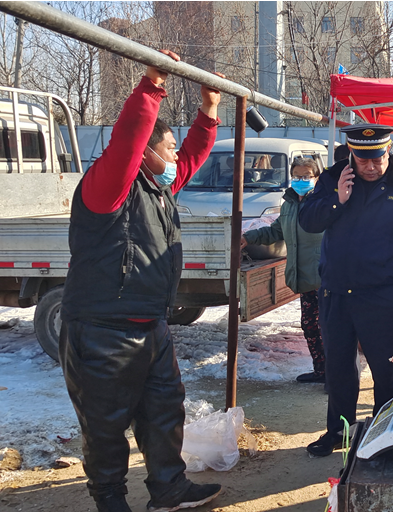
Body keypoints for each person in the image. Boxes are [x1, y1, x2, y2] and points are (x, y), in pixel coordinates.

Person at [59, 50, 223, 512]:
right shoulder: (108, 187)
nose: (174, 159)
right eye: (166, 149)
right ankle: (111, 501)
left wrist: (208, 109)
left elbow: (191, 156)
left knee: (163, 412)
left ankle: (169, 488)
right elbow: (128, 141)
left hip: (150, 325)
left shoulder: (157, 187)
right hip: (101, 331)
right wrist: (152, 84)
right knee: (105, 426)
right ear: (146, 152)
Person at [300, 124, 393, 457]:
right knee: (339, 369)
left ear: (388, 152)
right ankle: (338, 434)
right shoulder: (332, 180)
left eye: (378, 158)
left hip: (381, 296)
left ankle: (383, 433)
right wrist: (337, 200)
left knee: (384, 371)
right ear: (351, 155)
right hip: (336, 294)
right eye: (363, 160)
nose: (371, 167)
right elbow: (308, 221)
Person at [241, 158, 325, 384]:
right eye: (297, 176)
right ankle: (321, 371)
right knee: (310, 326)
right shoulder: (289, 204)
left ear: (317, 178)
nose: (301, 180)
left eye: (307, 176)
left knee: (328, 328)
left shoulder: (322, 202)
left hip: (325, 278)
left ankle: (335, 375)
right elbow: (276, 231)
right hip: (303, 277)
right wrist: (248, 238)